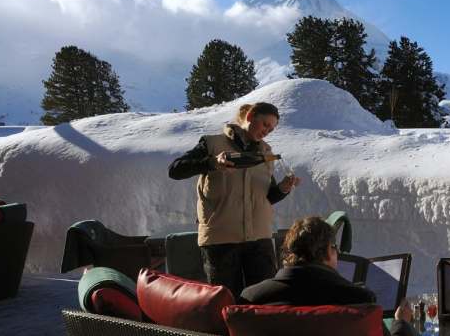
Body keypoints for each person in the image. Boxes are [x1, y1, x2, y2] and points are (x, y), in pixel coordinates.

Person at [168, 102, 301, 298]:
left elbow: (266, 198)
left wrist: (282, 189)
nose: (267, 132)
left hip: (259, 240)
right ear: (250, 117)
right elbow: (175, 169)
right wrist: (212, 163)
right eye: (265, 124)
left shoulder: (266, 153)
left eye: (271, 129)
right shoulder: (213, 144)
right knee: (227, 302)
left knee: (264, 301)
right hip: (221, 240)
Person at [241, 216, 415, 336]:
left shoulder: (250, 298)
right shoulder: (356, 300)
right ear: (327, 251)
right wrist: (402, 324)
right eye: (335, 248)